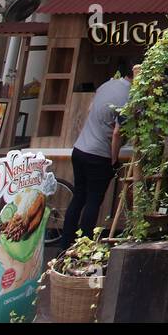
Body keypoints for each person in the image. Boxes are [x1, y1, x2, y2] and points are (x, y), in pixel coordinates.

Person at [60, 64, 137, 251]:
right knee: (94, 200)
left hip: (79, 149)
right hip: (99, 155)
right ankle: (84, 245)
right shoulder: (129, 97)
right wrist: (113, 158)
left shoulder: (106, 85)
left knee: (79, 197)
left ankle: (65, 244)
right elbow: (118, 133)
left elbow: (89, 110)